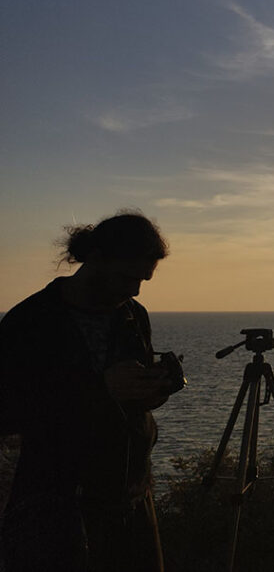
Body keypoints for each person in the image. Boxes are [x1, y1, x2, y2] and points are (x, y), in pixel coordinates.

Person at [0, 211, 179, 572]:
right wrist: (100, 388)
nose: (135, 289)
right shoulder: (30, 322)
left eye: (142, 280)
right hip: (56, 509)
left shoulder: (132, 315)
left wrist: (152, 391)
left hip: (130, 500)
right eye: (127, 277)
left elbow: (123, 396)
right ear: (96, 258)